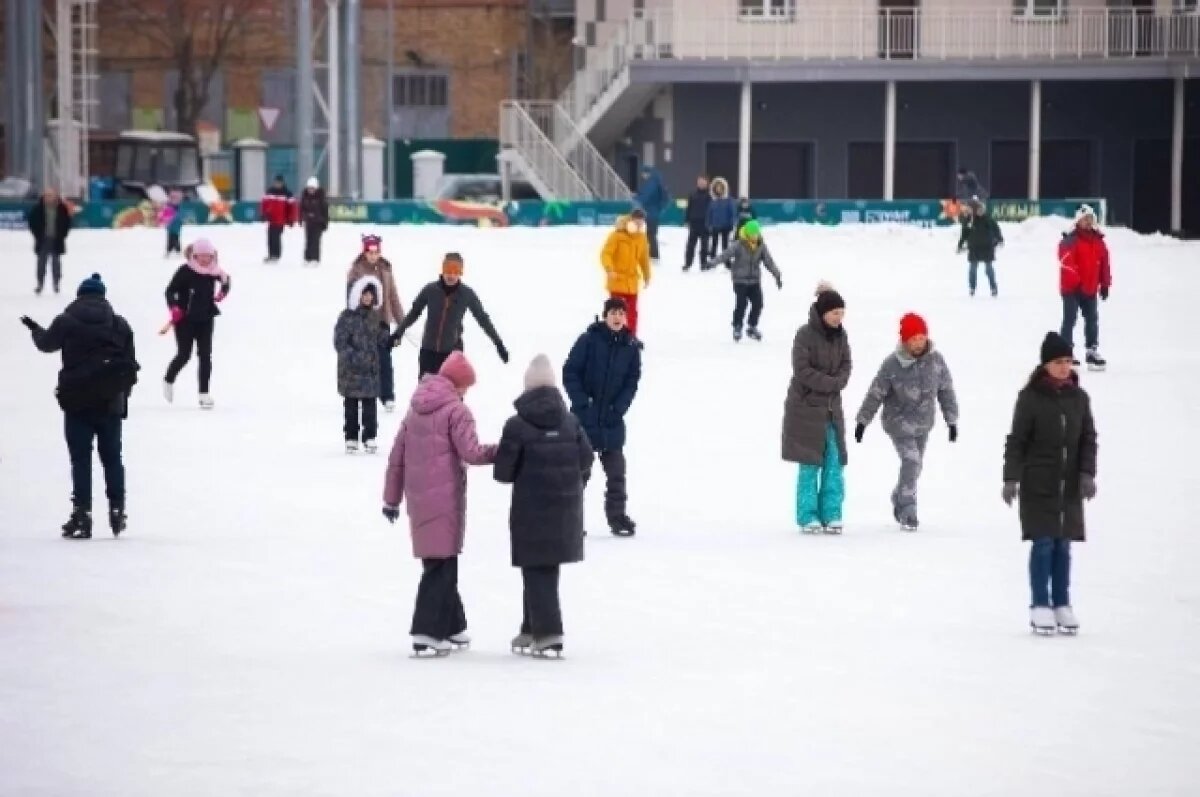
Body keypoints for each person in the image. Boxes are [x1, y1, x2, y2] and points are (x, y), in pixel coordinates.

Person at [382, 352, 497, 657]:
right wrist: (502, 451)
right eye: (466, 387)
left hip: (420, 501)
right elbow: (471, 453)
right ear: (458, 384)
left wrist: (391, 500)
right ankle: (426, 632)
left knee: (441, 561)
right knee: (440, 566)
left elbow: (397, 458)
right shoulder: (456, 411)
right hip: (444, 499)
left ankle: (452, 625)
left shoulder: (415, 409)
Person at [20, 273, 139, 539]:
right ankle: (117, 510)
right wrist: (122, 399)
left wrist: (35, 330)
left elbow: (46, 345)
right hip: (110, 402)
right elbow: (130, 366)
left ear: (80, 296)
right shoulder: (119, 324)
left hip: (76, 402)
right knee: (112, 458)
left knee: (81, 459)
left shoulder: (67, 321)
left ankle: (82, 515)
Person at [494, 354, 593, 658]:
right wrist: (572, 487)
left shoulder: (517, 425)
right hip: (566, 510)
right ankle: (530, 628)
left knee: (537, 568)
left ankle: (549, 633)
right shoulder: (572, 422)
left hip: (531, 510)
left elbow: (503, 473)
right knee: (542, 568)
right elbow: (587, 460)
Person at [1003, 332, 1097, 635]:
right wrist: (1011, 477)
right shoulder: (1030, 398)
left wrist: (1086, 474)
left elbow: (1088, 439)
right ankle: (1040, 605)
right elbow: (1017, 440)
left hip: (1068, 486)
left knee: (1063, 546)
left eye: (1068, 362)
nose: (1064, 367)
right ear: (1046, 365)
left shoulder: (1079, 398)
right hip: (1038, 483)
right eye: (1058, 362)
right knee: (1043, 544)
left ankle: (1062, 604)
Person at [854, 313, 959, 531]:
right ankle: (908, 510)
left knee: (916, 466)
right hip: (898, 423)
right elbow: (876, 393)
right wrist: (863, 421)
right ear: (905, 340)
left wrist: (951, 420)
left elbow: (946, 390)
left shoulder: (936, 361)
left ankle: (899, 495)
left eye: (921, 338)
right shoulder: (892, 364)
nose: (918, 343)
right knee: (911, 462)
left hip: (923, 423)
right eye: (913, 339)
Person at [563, 298, 642, 537]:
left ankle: (617, 518)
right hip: (584, 419)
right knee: (579, 474)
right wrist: (582, 402)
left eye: (621, 313)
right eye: (613, 313)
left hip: (611, 421)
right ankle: (570, 522)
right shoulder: (588, 340)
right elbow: (570, 371)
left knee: (617, 473)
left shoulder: (631, 347)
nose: (617, 318)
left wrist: (619, 408)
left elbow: (632, 382)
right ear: (605, 315)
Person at [782, 283, 852, 534]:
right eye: (835, 313)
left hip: (832, 410)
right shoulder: (804, 335)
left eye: (842, 313)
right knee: (810, 462)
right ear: (823, 313)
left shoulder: (841, 336)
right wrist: (831, 383)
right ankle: (807, 515)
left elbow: (846, 364)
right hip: (806, 409)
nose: (839, 318)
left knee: (834, 462)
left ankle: (832, 513)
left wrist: (839, 381)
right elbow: (802, 370)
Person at [391, 252, 508, 378]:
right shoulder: (430, 290)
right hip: (428, 351)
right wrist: (398, 332)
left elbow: (483, 319)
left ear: (460, 273)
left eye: (456, 271)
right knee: (426, 394)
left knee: (451, 394)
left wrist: (498, 343)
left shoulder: (466, 294)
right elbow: (414, 313)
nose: (451, 275)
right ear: (442, 270)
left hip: (452, 354)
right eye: (448, 270)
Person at [163, 238, 231, 410]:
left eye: (208, 256)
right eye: (201, 256)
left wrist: (223, 292)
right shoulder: (185, 271)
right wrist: (174, 307)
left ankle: (204, 394)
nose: (205, 260)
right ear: (194, 255)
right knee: (184, 355)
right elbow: (170, 291)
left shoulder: (214, 271)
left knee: (205, 356)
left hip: (206, 318)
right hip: (185, 320)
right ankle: (168, 379)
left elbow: (226, 281)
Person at [346, 235, 405, 409]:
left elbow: (393, 297)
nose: (373, 255)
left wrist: (402, 322)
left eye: (376, 252)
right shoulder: (356, 271)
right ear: (364, 252)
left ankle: (387, 396)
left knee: (385, 360)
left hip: (382, 322)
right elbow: (350, 298)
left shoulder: (386, 270)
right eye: (370, 252)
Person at [335, 276, 390, 454]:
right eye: (364, 294)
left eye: (370, 295)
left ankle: (370, 436)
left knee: (370, 406)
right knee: (350, 405)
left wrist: (391, 338)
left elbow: (381, 338)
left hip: (370, 371)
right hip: (351, 371)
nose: (367, 298)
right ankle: (351, 437)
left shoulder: (375, 317)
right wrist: (354, 357)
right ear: (357, 295)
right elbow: (340, 342)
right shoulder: (347, 317)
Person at [704, 219, 782, 342]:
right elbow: (725, 255)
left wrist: (777, 275)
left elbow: (768, 261)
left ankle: (752, 326)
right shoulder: (739, 245)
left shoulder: (761, 245)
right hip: (740, 280)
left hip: (754, 280)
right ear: (747, 233)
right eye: (752, 234)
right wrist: (711, 263)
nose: (754, 236)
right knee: (741, 303)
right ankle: (737, 326)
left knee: (758, 303)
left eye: (756, 234)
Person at [1058, 204, 1111, 371]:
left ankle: (1091, 350)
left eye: (1091, 219)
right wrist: (1076, 282)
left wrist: (1105, 284)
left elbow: (1104, 265)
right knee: (1070, 319)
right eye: (1085, 219)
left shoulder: (1099, 241)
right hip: (1072, 289)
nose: (1088, 222)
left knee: (1092, 319)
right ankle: (1065, 353)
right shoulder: (1070, 240)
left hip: (1090, 288)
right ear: (1078, 221)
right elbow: (1067, 263)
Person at [599, 209, 651, 339]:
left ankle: (631, 338)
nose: (639, 226)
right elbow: (606, 254)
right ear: (630, 220)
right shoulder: (617, 235)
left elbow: (644, 258)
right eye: (636, 223)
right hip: (617, 281)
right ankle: (612, 336)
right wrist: (609, 269)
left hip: (632, 283)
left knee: (632, 313)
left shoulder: (641, 237)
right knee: (615, 312)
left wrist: (647, 275)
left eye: (641, 223)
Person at [25, 188, 72, 295]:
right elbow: (32, 222)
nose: (48, 198)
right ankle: (40, 284)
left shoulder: (61, 208)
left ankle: (56, 284)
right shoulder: (38, 209)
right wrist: (37, 235)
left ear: (55, 196)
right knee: (41, 263)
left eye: (51, 195)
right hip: (42, 240)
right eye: (47, 195)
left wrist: (62, 235)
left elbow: (67, 222)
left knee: (56, 263)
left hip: (57, 240)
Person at [957, 199, 1003, 297]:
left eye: (980, 209)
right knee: (972, 269)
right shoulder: (968, 221)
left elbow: (995, 228)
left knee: (988, 269)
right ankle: (972, 288)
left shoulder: (987, 219)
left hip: (987, 247)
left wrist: (1000, 239)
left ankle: (993, 288)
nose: (979, 212)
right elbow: (964, 234)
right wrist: (960, 245)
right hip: (974, 248)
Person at [634, 165, 670, 261]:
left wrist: (636, 199)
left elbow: (646, 196)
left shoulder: (652, 183)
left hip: (651, 211)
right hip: (653, 211)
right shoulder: (656, 181)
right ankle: (651, 253)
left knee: (650, 233)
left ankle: (653, 255)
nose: (643, 176)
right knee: (650, 233)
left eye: (644, 173)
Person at [260, 174, 296, 263]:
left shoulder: (287, 193)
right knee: (270, 237)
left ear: (282, 183)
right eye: (276, 182)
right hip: (271, 219)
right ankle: (271, 254)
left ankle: (276, 255)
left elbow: (292, 208)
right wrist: (263, 214)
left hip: (280, 220)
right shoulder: (270, 191)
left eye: (279, 183)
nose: (277, 184)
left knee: (276, 237)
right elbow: (264, 204)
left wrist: (291, 219)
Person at [683, 175, 712, 271]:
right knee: (690, 245)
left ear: (707, 183)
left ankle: (703, 263)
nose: (701, 184)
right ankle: (687, 264)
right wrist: (687, 220)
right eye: (700, 182)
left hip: (705, 224)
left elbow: (712, 210)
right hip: (694, 223)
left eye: (703, 182)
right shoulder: (692, 194)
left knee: (704, 246)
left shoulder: (710, 196)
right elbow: (689, 208)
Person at [706, 177, 736, 264]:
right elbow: (709, 213)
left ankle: (727, 262)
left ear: (724, 188)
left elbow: (732, 212)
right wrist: (708, 224)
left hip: (726, 226)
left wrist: (732, 223)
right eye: (717, 187)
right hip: (715, 226)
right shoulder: (712, 201)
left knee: (725, 245)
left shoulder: (729, 200)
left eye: (720, 187)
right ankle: (712, 260)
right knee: (714, 244)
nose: (719, 189)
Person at [300, 177, 329, 266]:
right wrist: (302, 218)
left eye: (312, 188)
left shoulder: (321, 199)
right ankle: (307, 258)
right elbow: (302, 209)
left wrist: (325, 223)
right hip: (309, 222)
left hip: (318, 223)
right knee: (308, 240)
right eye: (309, 188)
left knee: (315, 241)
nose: (310, 190)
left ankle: (315, 258)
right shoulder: (305, 197)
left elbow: (325, 211)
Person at [158, 189, 185, 258]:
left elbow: (180, 216)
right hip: (170, 226)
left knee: (175, 238)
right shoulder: (168, 206)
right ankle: (169, 251)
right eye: (172, 198)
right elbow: (164, 214)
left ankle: (177, 251)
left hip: (176, 225)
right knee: (170, 238)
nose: (174, 200)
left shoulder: (178, 207)